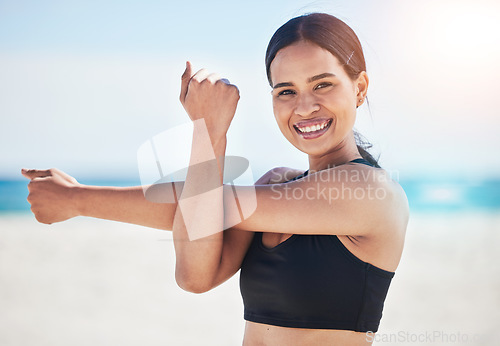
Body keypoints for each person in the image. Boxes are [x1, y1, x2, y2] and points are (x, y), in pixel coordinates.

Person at [22, 12, 409, 346]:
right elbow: (194, 275)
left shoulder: (370, 193)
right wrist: (72, 196)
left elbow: (203, 204)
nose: (304, 106)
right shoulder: (276, 183)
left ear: (359, 88)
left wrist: (209, 132)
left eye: (322, 84)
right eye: (286, 91)